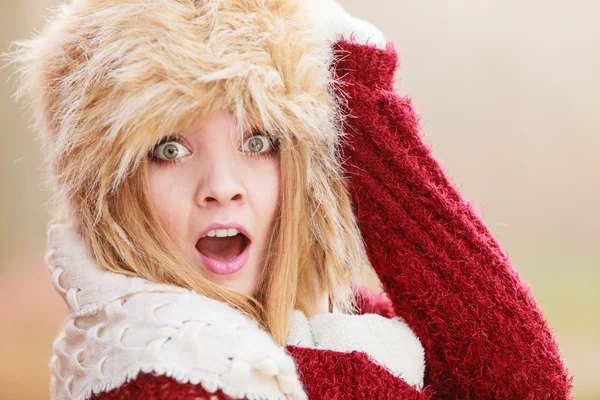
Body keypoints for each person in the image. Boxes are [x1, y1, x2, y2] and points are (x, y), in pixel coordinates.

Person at [10, 0, 572, 398]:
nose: (222, 186)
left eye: (258, 141)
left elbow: (521, 381)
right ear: (109, 187)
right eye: (169, 148)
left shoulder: (306, 319)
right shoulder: (170, 372)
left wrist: (361, 98)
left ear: (302, 168)